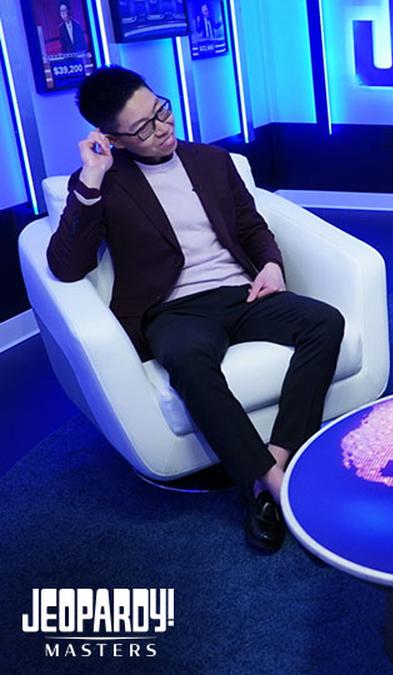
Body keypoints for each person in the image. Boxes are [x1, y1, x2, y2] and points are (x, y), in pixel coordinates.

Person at [47, 67, 345, 554]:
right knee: (188, 360)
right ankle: (271, 485)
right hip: (175, 311)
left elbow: (252, 227)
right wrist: (92, 179)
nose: (162, 127)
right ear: (113, 139)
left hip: (241, 294)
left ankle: (276, 460)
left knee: (323, 321)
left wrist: (270, 264)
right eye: (143, 128)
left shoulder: (211, 161)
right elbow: (66, 265)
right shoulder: (106, 182)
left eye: (161, 111)